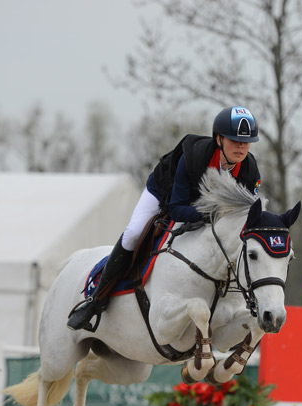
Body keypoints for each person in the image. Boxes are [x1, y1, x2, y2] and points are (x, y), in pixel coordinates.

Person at [67, 105, 261, 332]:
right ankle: (96, 300)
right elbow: (177, 209)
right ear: (218, 139)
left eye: (246, 142)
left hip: (207, 211)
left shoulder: (250, 172)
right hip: (164, 195)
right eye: (234, 140)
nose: (241, 147)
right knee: (134, 233)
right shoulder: (194, 157)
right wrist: (213, 215)